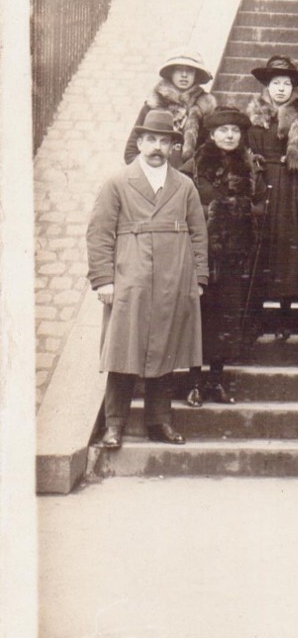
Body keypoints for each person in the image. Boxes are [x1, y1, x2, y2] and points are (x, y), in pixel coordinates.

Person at [87, 109, 209, 449]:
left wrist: (198, 277)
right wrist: (103, 280)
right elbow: (99, 233)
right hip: (131, 276)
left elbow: (199, 233)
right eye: (151, 139)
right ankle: (115, 425)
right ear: (139, 142)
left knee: (165, 350)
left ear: (173, 146)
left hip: (174, 277)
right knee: (123, 349)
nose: (157, 146)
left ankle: (160, 421)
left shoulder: (184, 186)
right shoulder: (116, 183)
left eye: (165, 141)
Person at [181, 107, 266, 406]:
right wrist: (212, 215)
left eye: (235, 131)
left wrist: (243, 218)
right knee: (199, 318)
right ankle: (194, 382)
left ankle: (216, 381)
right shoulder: (192, 166)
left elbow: (260, 206)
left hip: (233, 257)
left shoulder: (251, 166)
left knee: (226, 318)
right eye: (223, 130)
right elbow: (179, 207)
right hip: (199, 257)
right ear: (212, 133)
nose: (230, 135)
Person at [246, 55, 298, 340]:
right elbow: (244, 151)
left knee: (287, 256)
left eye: (286, 83)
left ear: (293, 88)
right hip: (262, 186)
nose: (281, 89)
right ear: (266, 86)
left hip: (290, 189)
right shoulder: (254, 116)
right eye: (275, 83)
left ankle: (284, 317)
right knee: (259, 250)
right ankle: (254, 318)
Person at [123, 49, 216, 168]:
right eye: (178, 70)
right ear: (171, 73)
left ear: (196, 75)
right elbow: (130, 152)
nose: (184, 75)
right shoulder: (153, 106)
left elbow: (209, 152)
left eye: (190, 71)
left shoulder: (204, 109)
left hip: (189, 179)